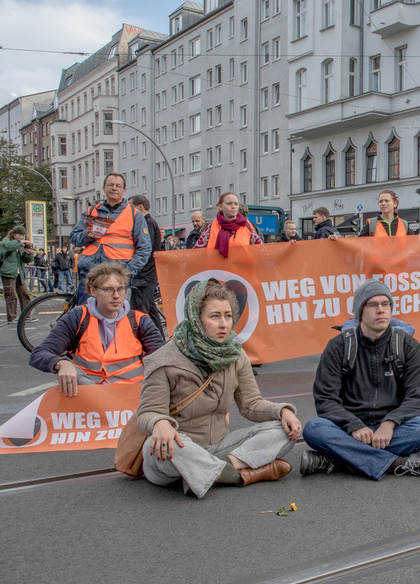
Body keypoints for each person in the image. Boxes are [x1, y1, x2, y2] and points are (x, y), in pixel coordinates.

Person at [137, 278, 302, 498]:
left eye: (228, 316)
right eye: (214, 316)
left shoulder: (235, 355)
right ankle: (239, 475)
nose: (224, 324)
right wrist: (159, 422)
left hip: (220, 446)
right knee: (159, 445)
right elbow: (147, 412)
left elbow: (250, 404)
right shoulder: (164, 360)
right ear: (196, 319)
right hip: (180, 449)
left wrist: (282, 411)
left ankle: (208, 473)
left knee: (283, 432)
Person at [301, 280, 420, 479]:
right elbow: (325, 399)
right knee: (314, 429)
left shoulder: (408, 346)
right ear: (360, 311)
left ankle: (336, 459)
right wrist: (353, 424)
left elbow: (416, 398)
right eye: (373, 305)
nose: (381, 310)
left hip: (393, 429)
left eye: (385, 304)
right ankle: (400, 464)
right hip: (349, 428)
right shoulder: (339, 347)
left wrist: (390, 423)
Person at [29, 262, 165, 395]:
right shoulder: (77, 318)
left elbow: (161, 357)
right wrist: (61, 363)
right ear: (93, 291)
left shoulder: (139, 320)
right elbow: (39, 354)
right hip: (88, 398)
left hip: (131, 397)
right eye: (108, 289)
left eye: (121, 289)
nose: (116, 295)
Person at [69, 173, 152, 305]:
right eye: (110, 185)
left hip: (117, 274)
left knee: (115, 316)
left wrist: (128, 269)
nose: (114, 188)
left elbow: (145, 247)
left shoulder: (134, 215)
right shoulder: (91, 212)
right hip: (90, 272)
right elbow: (75, 238)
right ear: (104, 188)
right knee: (86, 315)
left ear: (124, 190)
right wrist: (89, 234)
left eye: (118, 186)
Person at [127, 195, 165, 331]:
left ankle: (142, 343)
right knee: (151, 311)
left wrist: (135, 269)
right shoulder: (151, 222)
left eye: (131, 207)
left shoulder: (146, 223)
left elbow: (145, 250)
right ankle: (159, 342)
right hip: (148, 274)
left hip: (144, 275)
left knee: (139, 311)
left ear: (140, 207)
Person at [193, 192, 264, 256]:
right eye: (229, 203)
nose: (233, 206)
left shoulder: (247, 226)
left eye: (236, 204)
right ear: (220, 207)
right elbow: (196, 253)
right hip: (217, 269)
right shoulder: (211, 227)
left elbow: (262, 251)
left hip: (241, 269)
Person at [0, 225, 35, 322]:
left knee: (25, 294)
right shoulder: (7, 241)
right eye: (19, 234)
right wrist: (19, 243)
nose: (21, 237)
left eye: (22, 235)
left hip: (19, 273)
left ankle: (26, 316)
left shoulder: (20, 245)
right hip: (8, 272)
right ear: (13, 234)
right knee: (11, 295)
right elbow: (8, 248)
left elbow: (26, 260)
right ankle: (12, 317)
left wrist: (28, 253)